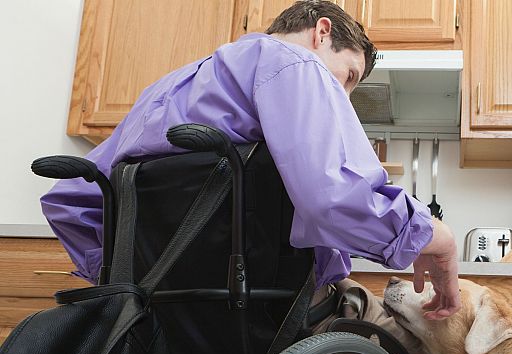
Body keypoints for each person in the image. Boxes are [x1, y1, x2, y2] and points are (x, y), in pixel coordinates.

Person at [41, 0, 460, 319]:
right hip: (264, 304)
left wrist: (127, 281)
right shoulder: (296, 65)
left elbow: (70, 200)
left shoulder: (167, 90)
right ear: (322, 32)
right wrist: (431, 237)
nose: (344, 98)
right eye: (348, 77)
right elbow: (331, 198)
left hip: (161, 311)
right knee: (423, 342)